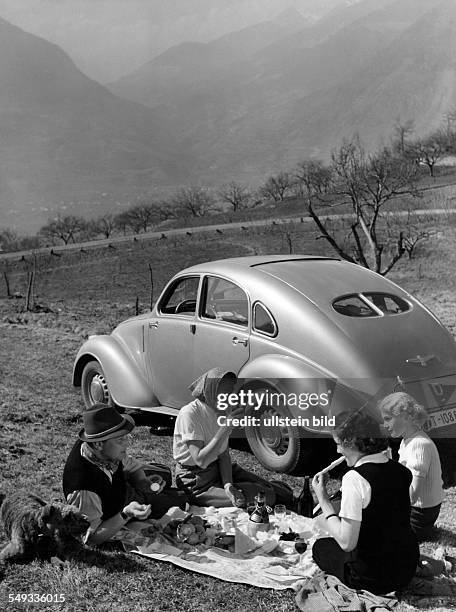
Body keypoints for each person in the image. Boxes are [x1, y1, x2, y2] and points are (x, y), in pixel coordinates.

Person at [311, 411, 419, 594]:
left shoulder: (354, 478)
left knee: (320, 547)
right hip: (407, 567)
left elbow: (347, 543)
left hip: (374, 576)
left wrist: (323, 500)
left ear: (350, 443)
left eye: (338, 444)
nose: (337, 451)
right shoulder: (402, 471)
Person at [63, 403, 187, 545]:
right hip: (113, 509)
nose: (126, 444)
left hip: (117, 486)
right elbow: (90, 538)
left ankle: (142, 493)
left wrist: (143, 481)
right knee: (180, 499)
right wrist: (126, 514)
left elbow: (129, 464)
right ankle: (142, 498)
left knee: (164, 473)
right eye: (120, 440)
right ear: (98, 445)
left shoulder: (101, 448)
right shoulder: (85, 488)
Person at [173, 368, 280, 508]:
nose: (228, 397)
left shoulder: (223, 411)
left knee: (270, 488)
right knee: (265, 496)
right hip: (195, 480)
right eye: (224, 393)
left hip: (217, 468)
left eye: (230, 392)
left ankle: (297, 501)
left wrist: (228, 485)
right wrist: (226, 427)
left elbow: (223, 456)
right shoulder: (190, 413)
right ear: (210, 390)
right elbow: (200, 460)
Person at [379, 392, 444, 540]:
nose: (385, 425)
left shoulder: (418, 444)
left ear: (407, 417)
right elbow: (404, 475)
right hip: (421, 509)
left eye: (388, 419)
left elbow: (412, 496)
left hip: (419, 514)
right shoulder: (408, 440)